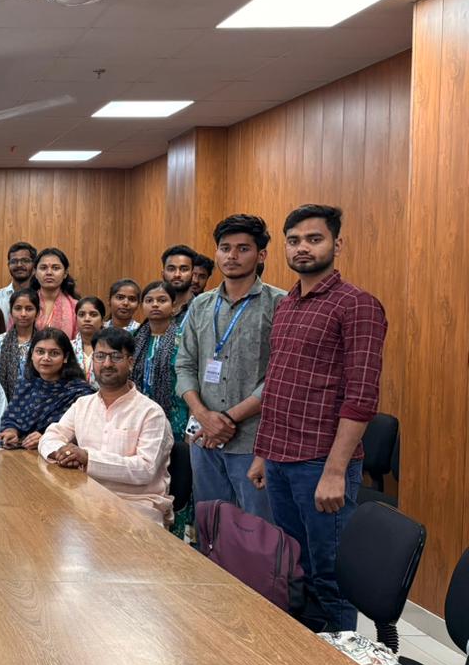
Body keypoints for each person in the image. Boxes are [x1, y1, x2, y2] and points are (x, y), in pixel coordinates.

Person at [249, 205, 387, 633]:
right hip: (280, 459)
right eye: (294, 241)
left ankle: (339, 664)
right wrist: (263, 453)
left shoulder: (357, 305)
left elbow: (361, 397)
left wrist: (335, 471)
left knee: (330, 578)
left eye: (314, 239)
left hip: (320, 464)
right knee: (295, 569)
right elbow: (278, 383)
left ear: (337, 244)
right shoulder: (288, 304)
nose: (302, 248)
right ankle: (304, 657)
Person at [177, 214, 285, 522]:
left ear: (261, 255)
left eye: (243, 249)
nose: (232, 256)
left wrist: (226, 419)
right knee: (211, 526)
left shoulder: (280, 304)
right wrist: (203, 415)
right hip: (204, 437)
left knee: (256, 531)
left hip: (252, 441)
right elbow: (184, 365)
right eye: (225, 248)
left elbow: (280, 377)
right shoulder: (201, 305)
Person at [40, 327, 174, 525]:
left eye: (116, 357)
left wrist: (88, 457)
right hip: (85, 497)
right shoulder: (83, 404)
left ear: (131, 362)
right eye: (100, 356)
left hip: (135, 507)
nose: (107, 364)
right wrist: (61, 453)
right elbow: (51, 436)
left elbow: (145, 469)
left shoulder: (151, 413)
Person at [0, 328, 92, 450]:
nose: (46, 358)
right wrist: (11, 432)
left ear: (65, 357)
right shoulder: (25, 384)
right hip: (20, 455)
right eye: (40, 352)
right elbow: (11, 418)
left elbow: (84, 435)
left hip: (57, 456)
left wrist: (47, 438)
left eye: (54, 353)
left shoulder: (80, 393)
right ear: (32, 354)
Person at [132, 281, 189, 440]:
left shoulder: (184, 339)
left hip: (176, 417)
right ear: (142, 305)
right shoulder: (133, 339)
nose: (155, 304)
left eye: (162, 300)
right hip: (138, 416)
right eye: (149, 300)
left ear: (174, 305)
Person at [0, 288, 39, 401]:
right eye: (18, 308)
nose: (23, 314)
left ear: (37, 313)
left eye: (29, 309)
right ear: (11, 312)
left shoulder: (44, 342)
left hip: (39, 403)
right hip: (4, 403)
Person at [31, 247, 79, 339]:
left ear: (65, 273)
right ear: (35, 273)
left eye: (55, 268)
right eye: (43, 268)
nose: (49, 272)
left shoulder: (75, 306)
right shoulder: (24, 303)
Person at [0, 242, 37, 325]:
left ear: (34, 265)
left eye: (25, 261)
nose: (19, 265)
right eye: (14, 261)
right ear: (8, 265)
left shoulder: (40, 297)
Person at [72, 296, 106, 387]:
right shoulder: (68, 347)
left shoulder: (111, 347)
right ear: (76, 319)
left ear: (102, 320)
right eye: (81, 314)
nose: (87, 319)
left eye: (93, 315)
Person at [161, 245, 198, 317]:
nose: (177, 275)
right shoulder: (155, 308)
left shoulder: (202, 309)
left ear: (193, 274)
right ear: (163, 274)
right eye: (171, 269)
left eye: (184, 269)